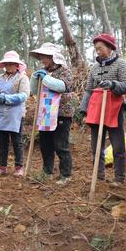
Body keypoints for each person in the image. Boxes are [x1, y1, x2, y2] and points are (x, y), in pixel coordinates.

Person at [80, 33, 126, 186]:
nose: (98, 51)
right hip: (96, 107)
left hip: (115, 107)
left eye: (101, 48)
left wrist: (112, 84)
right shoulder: (95, 67)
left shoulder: (121, 64)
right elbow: (89, 90)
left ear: (110, 48)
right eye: (96, 49)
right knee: (96, 145)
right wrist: (84, 110)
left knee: (118, 145)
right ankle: (99, 174)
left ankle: (119, 177)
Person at [29, 43, 74, 185]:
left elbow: (62, 86)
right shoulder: (43, 71)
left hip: (61, 113)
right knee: (45, 144)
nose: (43, 60)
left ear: (53, 57)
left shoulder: (65, 71)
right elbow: (35, 91)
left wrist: (46, 78)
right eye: (42, 57)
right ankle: (47, 171)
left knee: (61, 144)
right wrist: (35, 79)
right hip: (45, 113)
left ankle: (65, 174)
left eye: (45, 57)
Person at [0, 51, 30, 176]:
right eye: (7, 63)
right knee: (2, 141)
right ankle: (2, 167)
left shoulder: (22, 78)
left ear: (17, 65)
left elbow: (24, 95)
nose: (9, 66)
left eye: (12, 64)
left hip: (15, 114)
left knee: (16, 141)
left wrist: (6, 98)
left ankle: (19, 167)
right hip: (0, 113)